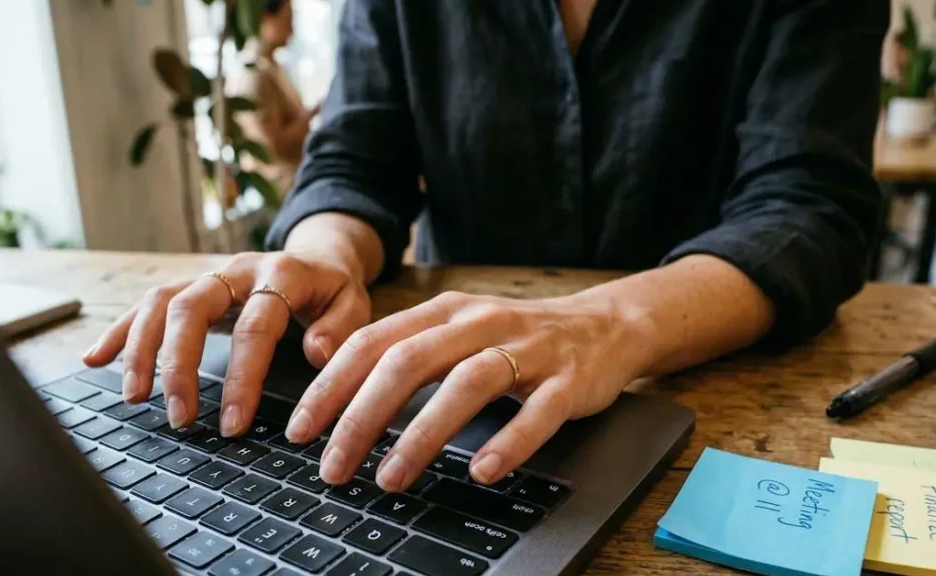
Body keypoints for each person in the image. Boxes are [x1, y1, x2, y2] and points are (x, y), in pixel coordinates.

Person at [85, 0, 887, 493]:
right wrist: (324, 254)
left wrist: (609, 322)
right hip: (442, 388)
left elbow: (809, 208)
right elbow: (357, 157)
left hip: (707, 400)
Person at [230, 0, 317, 196]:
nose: (292, 29)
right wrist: (310, 116)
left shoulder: (272, 65)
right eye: (288, 20)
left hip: (298, 181)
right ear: (265, 19)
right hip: (283, 190)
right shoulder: (254, 73)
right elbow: (274, 147)